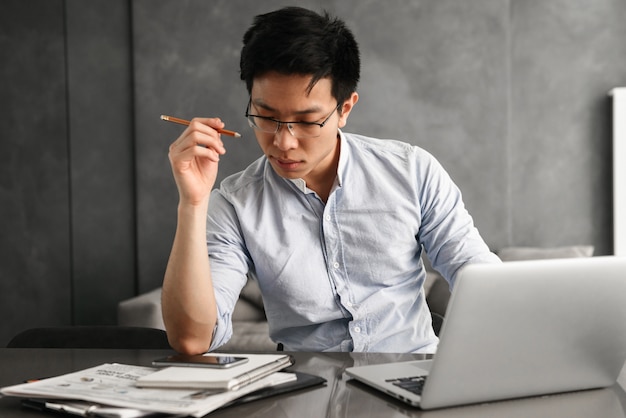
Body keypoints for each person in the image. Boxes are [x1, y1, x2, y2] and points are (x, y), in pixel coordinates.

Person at [162, 6, 500, 355]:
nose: (283, 142)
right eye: (265, 117)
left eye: (307, 122)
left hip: (411, 375)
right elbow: (192, 339)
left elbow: (475, 274)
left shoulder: (411, 171)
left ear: (345, 109)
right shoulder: (235, 203)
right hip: (306, 390)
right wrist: (193, 203)